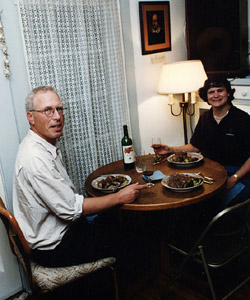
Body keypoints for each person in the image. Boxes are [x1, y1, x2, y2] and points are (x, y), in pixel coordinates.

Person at [12, 86, 148, 297]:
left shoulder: (40, 145)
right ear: (31, 117)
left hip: (59, 234)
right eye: (48, 111)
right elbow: (71, 209)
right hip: (54, 247)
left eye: (59, 109)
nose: (57, 117)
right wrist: (120, 196)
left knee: (116, 218)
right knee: (134, 235)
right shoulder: (35, 158)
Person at [153, 75, 250, 208]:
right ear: (206, 96)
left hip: (238, 173)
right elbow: (194, 147)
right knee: (190, 201)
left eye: (220, 90)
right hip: (210, 173)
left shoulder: (242, 119)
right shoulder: (205, 117)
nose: (216, 95)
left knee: (216, 205)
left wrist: (234, 178)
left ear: (228, 93)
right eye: (211, 92)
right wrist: (170, 149)